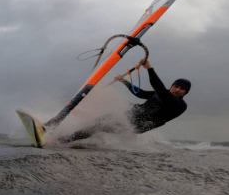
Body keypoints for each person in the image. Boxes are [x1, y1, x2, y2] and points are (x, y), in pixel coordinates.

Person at [60, 58, 191, 143]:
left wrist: (149, 68)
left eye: (183, 89)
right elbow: (141, 94)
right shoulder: (162, 93)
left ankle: (63, 141)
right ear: (173, 85)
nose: (178, 90)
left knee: (99, 126)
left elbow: (159, 88)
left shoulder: (178, 104)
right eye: (176, 86)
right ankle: (72, 138)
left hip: (138, 124)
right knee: (99, 121)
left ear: (185, 92)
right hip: (131, 115)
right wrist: (124, 81)